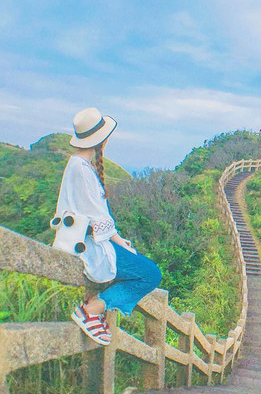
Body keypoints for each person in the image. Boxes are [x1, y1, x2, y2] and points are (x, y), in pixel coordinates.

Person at [56, 107, 162, 346]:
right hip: (90, 245)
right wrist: (117, 240)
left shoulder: (78, 165)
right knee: (150, 274)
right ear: (102, 140)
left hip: (91, 239)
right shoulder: (81, 169)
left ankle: (95, 307)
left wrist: (119, 240)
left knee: (138, 264)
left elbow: (97, 217)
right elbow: (98, 219)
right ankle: (92, 309)